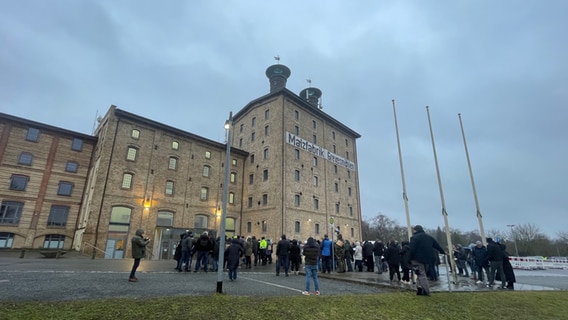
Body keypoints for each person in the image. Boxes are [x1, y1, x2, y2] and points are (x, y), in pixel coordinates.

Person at [409, 225, 445, 296]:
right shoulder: (429, 237)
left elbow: (412, 249)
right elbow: (437, 246)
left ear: (415, 230)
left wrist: (409, 258)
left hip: (417, 259)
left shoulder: (414, 238)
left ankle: (426, 290)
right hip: (428, 259)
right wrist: (442, 251)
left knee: (421, 274)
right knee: (421, 273)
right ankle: (419, 288)